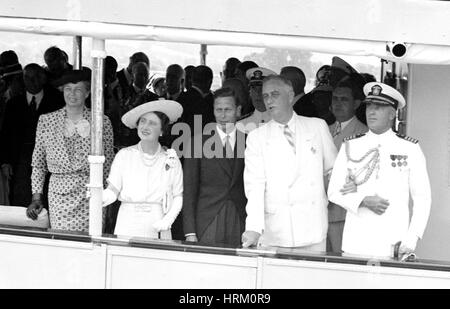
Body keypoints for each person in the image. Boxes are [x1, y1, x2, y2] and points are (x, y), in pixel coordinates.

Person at [327, 82, 431, 258]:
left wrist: (412, 238)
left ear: (392, 114)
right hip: (357, 241)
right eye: (369, 106)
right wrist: (363, 200)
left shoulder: (410, 148)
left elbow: (422, 198)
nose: (371, 112)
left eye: (379, 107)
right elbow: (334, 191)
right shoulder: (351, 144)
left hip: (393, 241)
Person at [241, 75, 337, 249]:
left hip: (312, 226)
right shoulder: (257, 137)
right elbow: (254, 185)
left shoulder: (317, 126)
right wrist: (253, 227)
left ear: (291, 95)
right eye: (265, 96)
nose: (269, 100)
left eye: (275, 94)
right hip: (276, 229)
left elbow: (333, 171)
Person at [26, 69, 115, 232]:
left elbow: (108, 165)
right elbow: (38, 164)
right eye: (68, 89)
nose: (72, 94)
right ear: (62, 91)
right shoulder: (46, 121)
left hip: (91, 195)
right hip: (59, 196)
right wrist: (36, 196)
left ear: (87, 93)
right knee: (63, 244)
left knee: (90, 245)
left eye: (78, 89)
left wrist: (108, 200)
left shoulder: (102, 122)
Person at [102, 100, 183, 239]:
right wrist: (99, 197)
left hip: (157, 222)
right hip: (127, 221)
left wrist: (168, 220)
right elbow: (113, 190)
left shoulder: (171, 159)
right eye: (143, 121)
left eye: (152, 123)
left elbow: (178, 196)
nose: (145, 126)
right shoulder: (124, 155)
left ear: (162, 130)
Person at [183, 87, 247, 247]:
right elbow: (189, 189)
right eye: (218, 110)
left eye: (228, 110)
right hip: (207, 219)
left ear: (238, 110)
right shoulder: (197, 142)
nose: (223, 115)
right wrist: (190, 231)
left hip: (239, 219)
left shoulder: (250, 142)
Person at [0, 63, 65, 207]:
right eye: (27, 77)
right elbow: (5, 134)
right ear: (23, 79)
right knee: (19, 198)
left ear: (43, 79)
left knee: (45, 198)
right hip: (19, 159)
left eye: (36, 77)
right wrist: (5, 162)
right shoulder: (13, 103)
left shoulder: (58, 101)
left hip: (49, 159)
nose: (32, 81)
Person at [327, 76, 368, 253]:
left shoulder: (364, 134)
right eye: (335, 99)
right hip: (319, 210)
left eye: (344, 99)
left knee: (339, 261)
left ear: (357, 103)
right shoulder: (324, 129)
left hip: (342, 213)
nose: (338, 103)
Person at [236, 67, 274, 134]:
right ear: (250, 92)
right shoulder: (239, 126)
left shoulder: (283, 124)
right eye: (254, 88)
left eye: (262, 89)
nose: (257, 93)